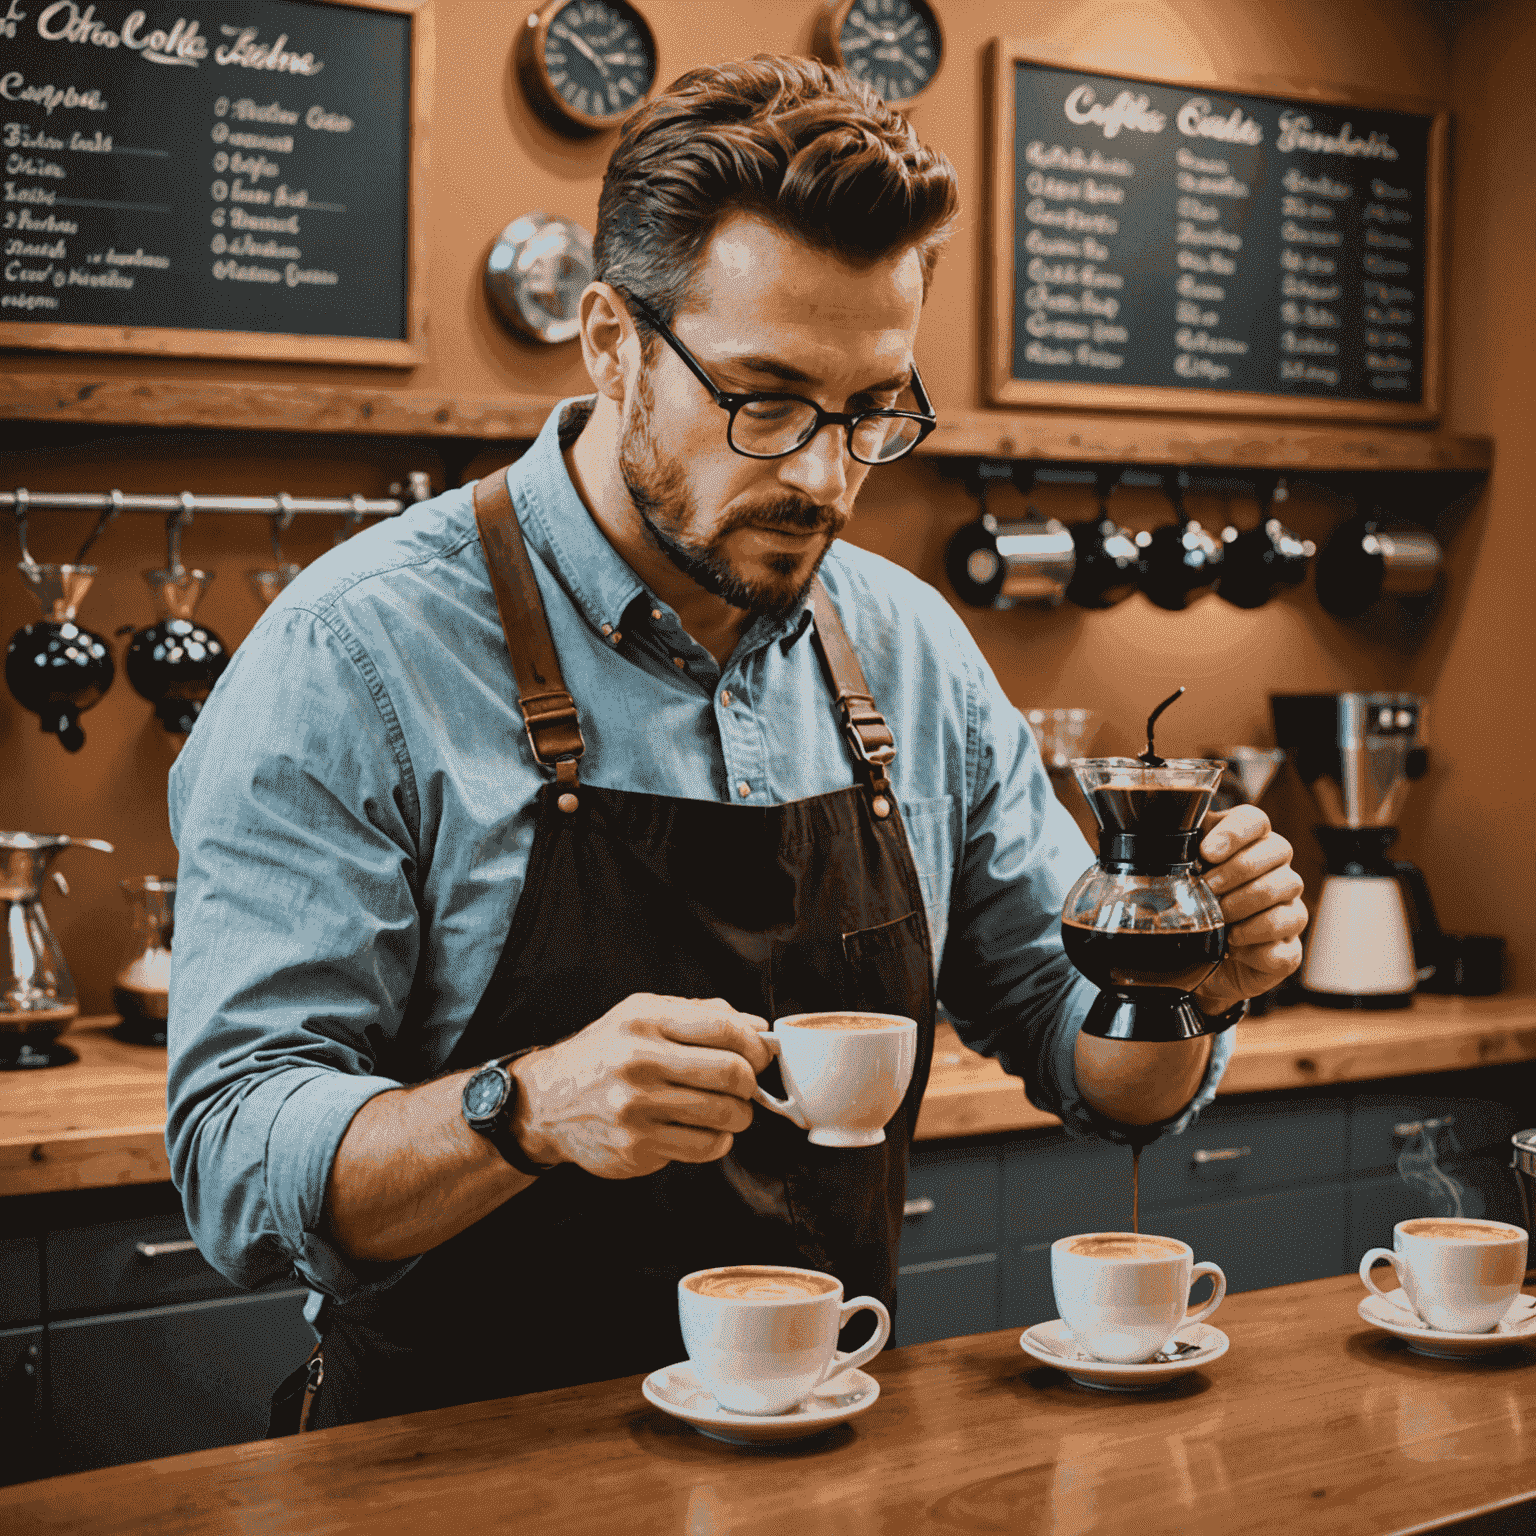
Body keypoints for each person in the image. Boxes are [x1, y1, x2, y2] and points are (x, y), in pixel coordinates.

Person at [166, 56, 1306, 1432]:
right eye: (763, 401)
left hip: (825, 1458)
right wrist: (521, 1109)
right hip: (454, 1480)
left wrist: (1187, 984)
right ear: (610, 341)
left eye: (872, 409)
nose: (824, 476)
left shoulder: (911, 649)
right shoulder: (355, 654)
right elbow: (234, 1161)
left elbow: (1098, 1072)